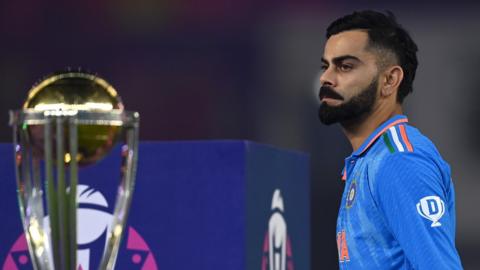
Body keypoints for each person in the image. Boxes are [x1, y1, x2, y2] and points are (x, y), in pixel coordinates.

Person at [318, 10, 463, 269]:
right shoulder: (370, 160)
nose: (326, 78)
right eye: (325, 65)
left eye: (345, 66)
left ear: (389, 80)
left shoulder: (399, 160)